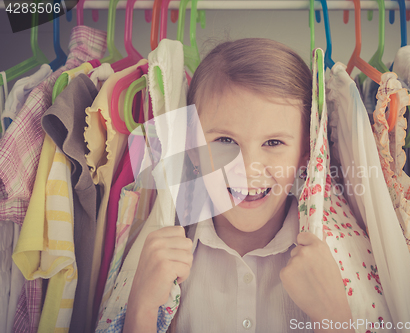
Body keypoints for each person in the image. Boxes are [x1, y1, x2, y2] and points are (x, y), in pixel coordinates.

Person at [123, 38, 356, 333]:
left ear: (305, 157)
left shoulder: (336, 263)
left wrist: (335, 317)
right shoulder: (156, 258)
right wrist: (141, 309)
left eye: (273, 142)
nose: (247, 169)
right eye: (225, 141)